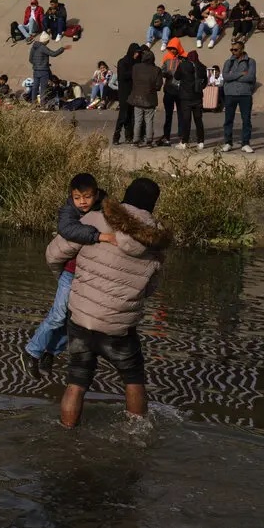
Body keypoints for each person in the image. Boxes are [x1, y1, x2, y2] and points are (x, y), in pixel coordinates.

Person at [47, 178, 171, 427]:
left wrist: (67, 281)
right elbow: (150, 288)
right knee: (134, 378)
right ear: (153, 205)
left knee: (77, 381)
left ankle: (67, 431)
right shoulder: (155, 242)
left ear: (125, 196)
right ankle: (137, 432)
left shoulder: (94, 219)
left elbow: (53, 254)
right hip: (120, 327)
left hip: (82, 319)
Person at [22, 173, 115, 378]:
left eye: (87, 197)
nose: (82, 202)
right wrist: (99, 236)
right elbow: (67, 229)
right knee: (57, 317)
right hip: (70, 274)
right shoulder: (68, 211)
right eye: (77, 197)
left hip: (90, 276)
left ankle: (51, 352)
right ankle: (31, 351)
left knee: (74, 321)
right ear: (71, 197)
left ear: (96, 194)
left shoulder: (107, 209)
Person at [221, 40, 256, 153]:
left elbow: (250, 77)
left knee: (246, 120)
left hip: (245, 94)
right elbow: (225, 77)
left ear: (242, 49)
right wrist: (241, 74)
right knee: (228, 120)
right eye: (231, 49)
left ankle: (245, 143)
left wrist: (233, 76)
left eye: (235, 49)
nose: (233, 51)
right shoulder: (228, 62)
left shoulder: (250, 62)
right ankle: (228, 142)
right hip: (230, 94)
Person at [128, 49, 163, 147]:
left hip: (137, 97)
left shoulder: (136, 67)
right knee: (149, 121)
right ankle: (149, 141)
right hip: (150, 98)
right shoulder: (157, 70)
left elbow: (133, 79)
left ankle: (136, 140)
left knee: (138, 120)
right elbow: (158, 86)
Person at [158, 39, 190, 146]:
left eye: (174, 48)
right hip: (169, 90)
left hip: (181, 91)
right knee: (168, 115)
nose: (173, 50)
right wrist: (165, 73)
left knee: (181, 115)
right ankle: (166, 136)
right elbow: (162, 70)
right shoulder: (167, 57)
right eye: (171, 48)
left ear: (178, 47)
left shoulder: (185, 57)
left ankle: (181, 136)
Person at [175, 49, 208, 150]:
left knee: (186, 120)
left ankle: (185, 142)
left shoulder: (183, 65)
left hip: (186, 97)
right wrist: (200, 87)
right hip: (197, 97)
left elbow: (176, 77)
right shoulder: (202, 67)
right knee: (198, 120)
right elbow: (205, 81)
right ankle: (201, 142)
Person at [112, 43, 141, 144]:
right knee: (123, 115)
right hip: (124, 92)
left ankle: (129, 136)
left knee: (130, 115)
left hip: (133, 92)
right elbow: (122, 76)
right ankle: (116, 137)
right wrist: (134, 72)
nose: (137, 54)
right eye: (136, 52)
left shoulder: (137, 62)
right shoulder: (122, 62)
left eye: (138, 53)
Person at [27, 32, 67, 106]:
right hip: (43, 71)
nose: (48, 42)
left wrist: (37, 64)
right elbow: (53, 54)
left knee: (35, 87)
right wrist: (62, 49)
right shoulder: (43, 47)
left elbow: (30, 59)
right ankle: (42, 104)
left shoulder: (34, 47)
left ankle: (33, 103)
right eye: (48, 40)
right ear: (45, 40)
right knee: (43, 88)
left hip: (36, 70)